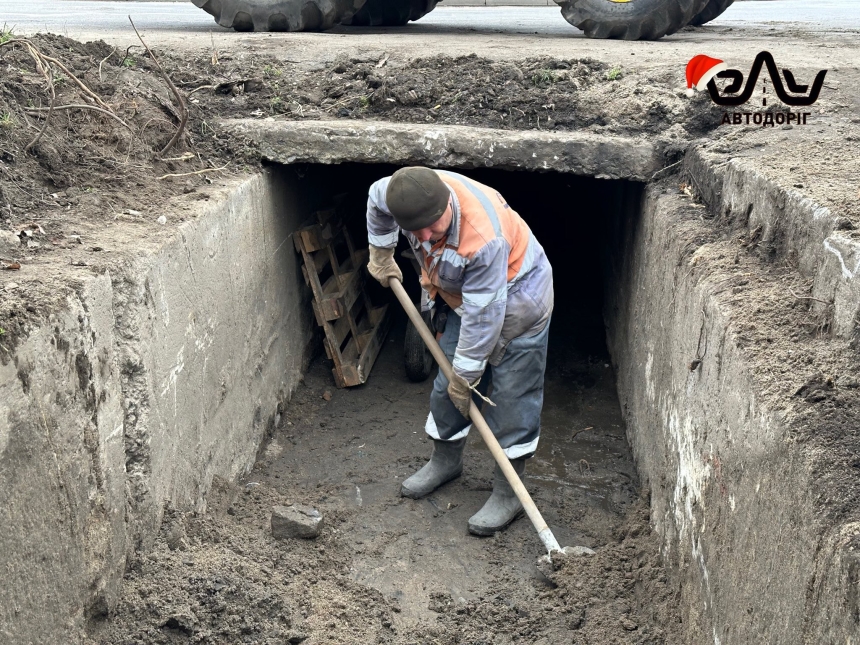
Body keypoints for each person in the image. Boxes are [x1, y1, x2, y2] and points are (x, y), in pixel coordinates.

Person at [365, 166, 553, 536]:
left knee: (511, 399)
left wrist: (466, 378)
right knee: (445, 387)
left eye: (431, 227)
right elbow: (376, 199)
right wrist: (382, 250)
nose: (422, 237)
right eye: (414, 230)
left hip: (520, 301)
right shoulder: (402, 192)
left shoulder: (482, 239)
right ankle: (445, 461)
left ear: (446, 205)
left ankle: (508, 493)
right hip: (465, 299)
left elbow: (484, 321)